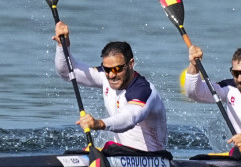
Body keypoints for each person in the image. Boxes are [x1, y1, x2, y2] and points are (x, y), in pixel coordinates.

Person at [53, 21, 168, 152]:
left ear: (131, 64)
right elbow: (68, 72)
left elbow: (129, 118)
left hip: (151, 158)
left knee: (109, 149)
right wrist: (63, 46)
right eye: (107, 69)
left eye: (117, 69)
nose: (111, 75)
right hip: (119, 153)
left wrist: (99, 123)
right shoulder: (106, 76)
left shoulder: (143, 90)